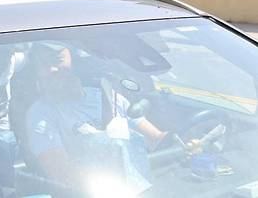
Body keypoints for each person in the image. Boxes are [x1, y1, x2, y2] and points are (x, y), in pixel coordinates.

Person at [22, 45, 167, 196]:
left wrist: (183, 143)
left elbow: (155, 139)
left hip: (138, 188)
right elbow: (61, 172)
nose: (52, 69)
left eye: (56, 60)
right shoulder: (40, 114)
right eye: (43, 65)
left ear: (76, 62)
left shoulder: (108, 97)